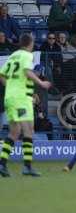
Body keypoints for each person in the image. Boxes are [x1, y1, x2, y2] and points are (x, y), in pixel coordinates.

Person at [0, 34, 52, 177]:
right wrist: (41, 83)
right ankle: (27, 167)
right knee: (29, 131)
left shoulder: (13, 56)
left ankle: (2, 164)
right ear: (30, 43)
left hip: (10, 97)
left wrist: (11, 86)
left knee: (14, 132)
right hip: (21, 98)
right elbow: (27, 72)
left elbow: (1, 75)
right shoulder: (27, 56)